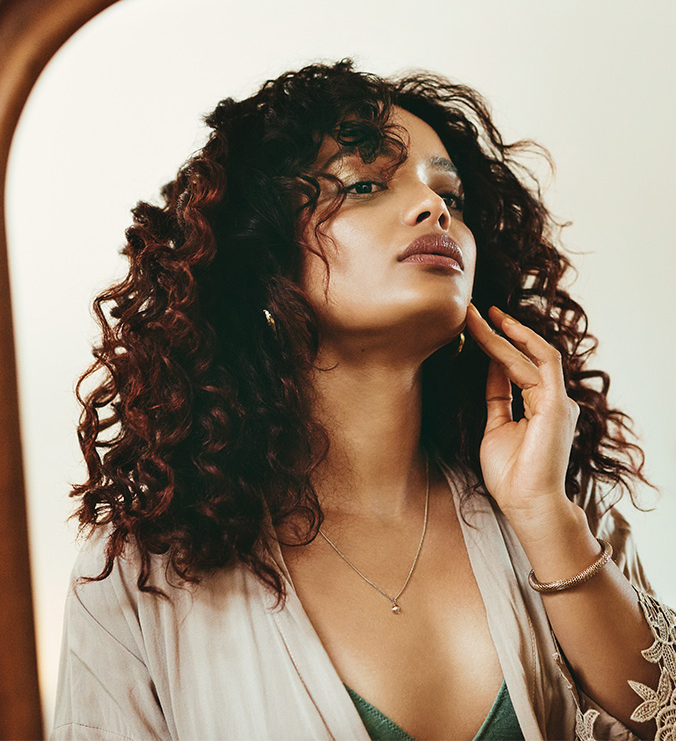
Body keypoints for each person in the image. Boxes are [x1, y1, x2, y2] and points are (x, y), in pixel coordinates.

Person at [53, 59, 675, 741]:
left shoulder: (568, 509)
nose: (433, 206)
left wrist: (543, 515)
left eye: (452, 196)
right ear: (263, 260)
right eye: (366, 185)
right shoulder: (142, 574)